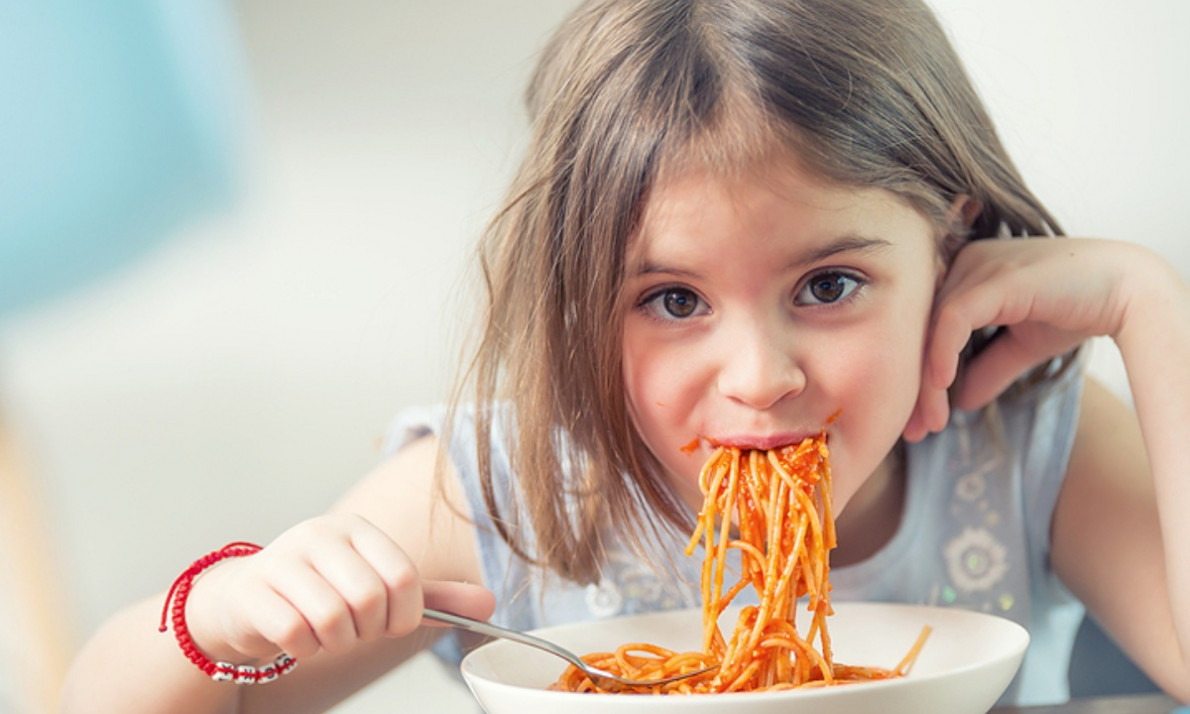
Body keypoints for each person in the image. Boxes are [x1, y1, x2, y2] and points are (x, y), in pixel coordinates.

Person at [61, 0, 1190, 711]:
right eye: (672, 300)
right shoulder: (510, 493)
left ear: (947, 242)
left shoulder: (1023, 447)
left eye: (829, 286)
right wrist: (216, 619)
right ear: (576, 300)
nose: (757, 377)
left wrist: (1152, 308)